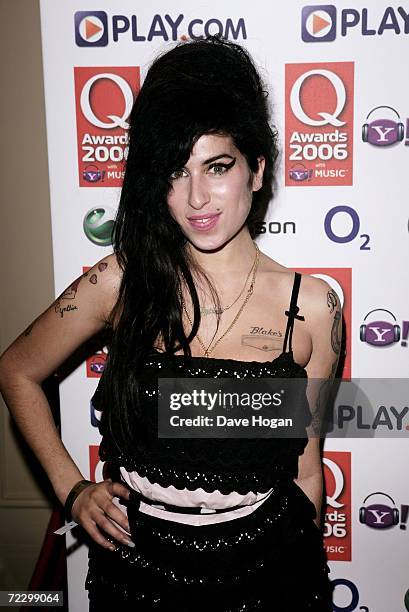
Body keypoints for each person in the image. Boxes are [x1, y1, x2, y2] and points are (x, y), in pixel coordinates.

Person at [0, 36, 342, 610]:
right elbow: (17, 371)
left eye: (218, 166)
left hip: (266, 569)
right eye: (175, 171)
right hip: (139, 568)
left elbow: (306, 471)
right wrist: (72, 489)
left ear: (258, 170)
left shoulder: (311, 308)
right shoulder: (122, 282)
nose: (196, 197)